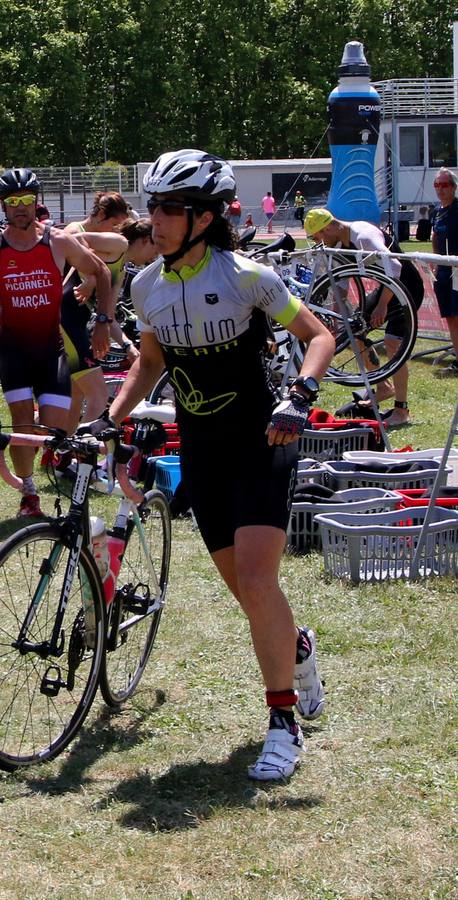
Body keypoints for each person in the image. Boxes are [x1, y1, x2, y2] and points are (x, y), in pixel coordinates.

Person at [100, 149, 332, 781]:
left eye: (171, 208)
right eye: (155, 207)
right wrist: (111, 417)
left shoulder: (247, 277)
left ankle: (283, 723)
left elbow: (319, 337)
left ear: (204, 217)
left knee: (257, 584)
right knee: (250, 595)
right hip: (201, 450)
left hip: (263, 441)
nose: (158, 219)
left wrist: (302, 395)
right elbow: (149, 364)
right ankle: (298, 649)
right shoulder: (145, 285)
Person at [0, 168, 111, 518]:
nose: (21, 207)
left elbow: (102, 271)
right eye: (13, 202)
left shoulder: (59, 241)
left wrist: (103, 323)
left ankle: (34, 456)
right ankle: (29, 494)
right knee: (23, 425)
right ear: (3, 206)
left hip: (52, 351)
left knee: (51, 430)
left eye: (27, 201)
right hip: (14, 351)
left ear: (37, 202)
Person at [305, 207, 421, 427]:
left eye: (318, 236)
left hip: (405, 285)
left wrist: (383, 305)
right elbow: (339, 286)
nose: (317, 241)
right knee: (353, 329)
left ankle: (401, 409)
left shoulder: (363, 236)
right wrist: (335, 319)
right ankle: (384, 386)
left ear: (329, 226)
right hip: (386, 286)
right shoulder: (336, 244)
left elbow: (394, 267)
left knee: (393, 343)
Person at [61, 192, 135, 430]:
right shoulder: (76, 230)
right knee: (99, 396)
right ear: (101, 214)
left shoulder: (116, 251)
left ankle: (62, 453)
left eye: (120, 227)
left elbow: (109, 310)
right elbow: (69, 239)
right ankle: (85, 458)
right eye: (114, 225)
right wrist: (95, 276)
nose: (116, 231)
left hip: (76, 321)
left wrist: (127, 346)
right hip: (65, 320)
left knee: (76, 396)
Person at [430, 168, 458, 374]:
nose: (440, 189)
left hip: (457, 269)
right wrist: (434, 260)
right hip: (442, 271)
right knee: (449, 316)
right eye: (437, 185)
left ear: (454, 187)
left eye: (444, 185)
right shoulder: (436, 211)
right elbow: (434, 236)